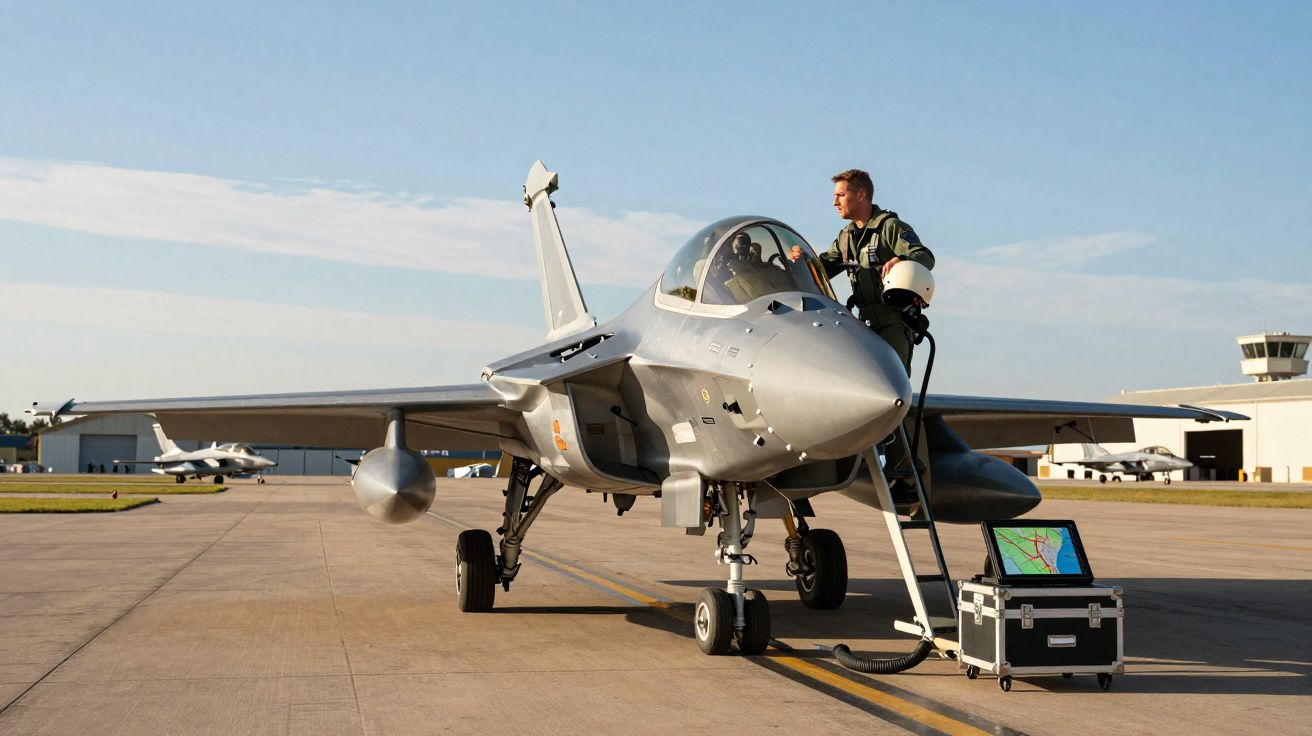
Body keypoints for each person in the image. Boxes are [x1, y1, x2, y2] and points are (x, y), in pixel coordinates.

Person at [795, 168, 935, 501]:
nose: (835, 202)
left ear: (861, 195)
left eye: (840, 195)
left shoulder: (890, 228)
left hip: (894, 324)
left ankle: (906, 477)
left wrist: (901, 258)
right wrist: (800, 262)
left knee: (892, 399)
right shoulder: (845, 238)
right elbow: (823, 267)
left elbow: (924, 257)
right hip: (864, 327)